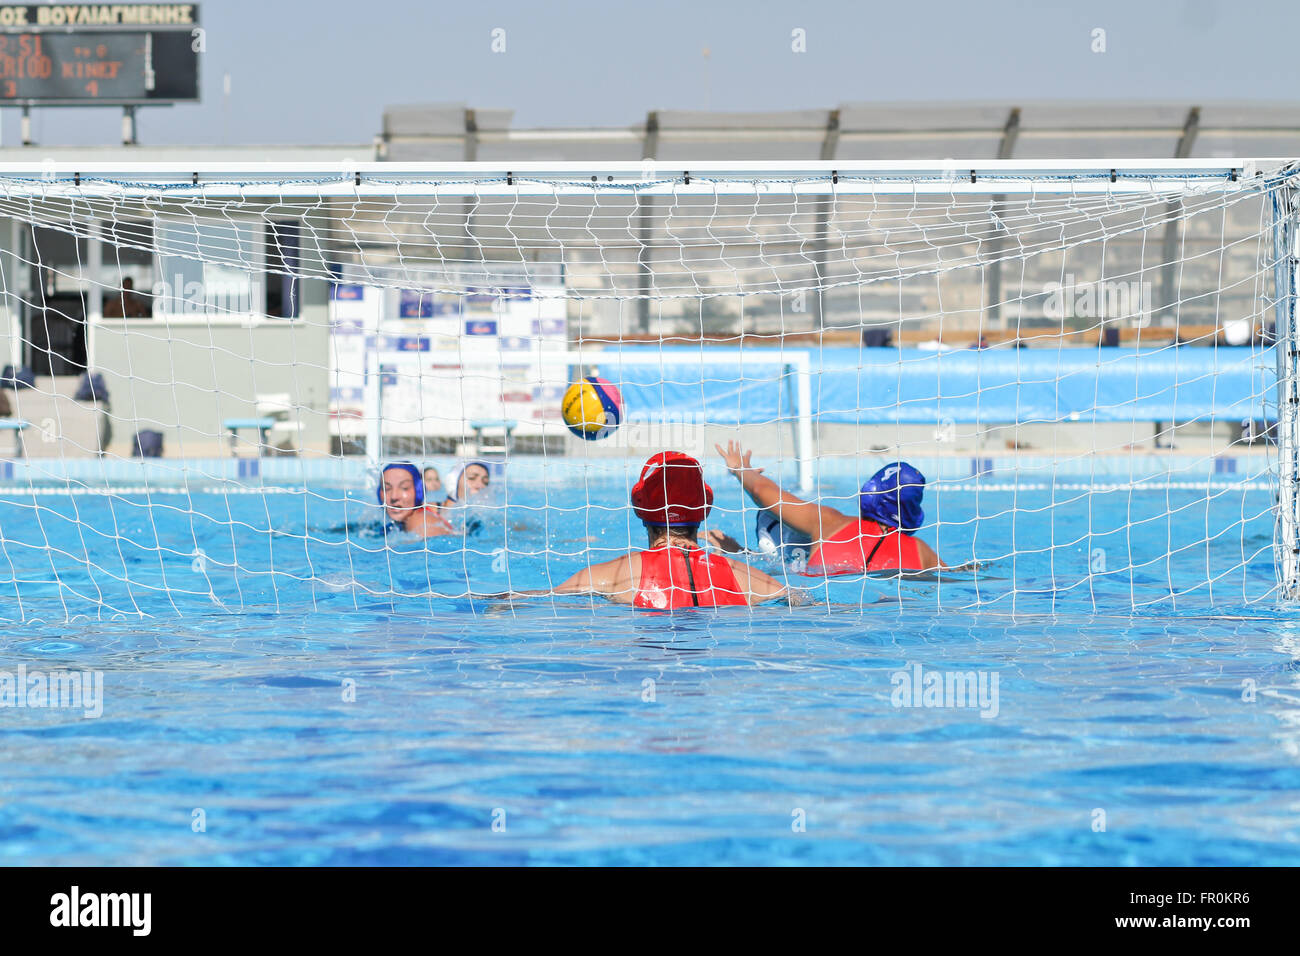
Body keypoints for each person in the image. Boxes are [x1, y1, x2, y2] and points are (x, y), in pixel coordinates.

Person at [553, 451, 790, 608]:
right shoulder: (747, 578)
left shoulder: (607, 576)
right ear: (704, 510)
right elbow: (801, 600)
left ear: (639, 508)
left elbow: (538, 600)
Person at [709, 441, 945, 574]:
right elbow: (964, 577)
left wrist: (741, 469)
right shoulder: (922, 552)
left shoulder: (830, 522)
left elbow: (761, 491)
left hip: (815, 607)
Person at [378, 462, 454, 537]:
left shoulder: (420, 523)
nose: (394, 496)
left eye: (404, 488)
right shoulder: (405, 521)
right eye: (386, 489)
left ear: (419, 491)